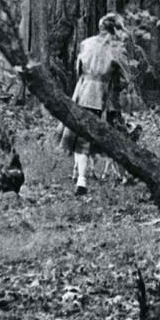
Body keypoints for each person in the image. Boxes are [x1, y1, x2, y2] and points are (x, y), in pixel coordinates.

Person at [61, 12, 128, 195]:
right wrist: (117, 85)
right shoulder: (117, 48)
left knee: (81, 137)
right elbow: (125, 79)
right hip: (105, 98)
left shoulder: (85, 43)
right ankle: (125, 175)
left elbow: (78, 70)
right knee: (114, 136)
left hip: (83, 93)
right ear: (115, 29)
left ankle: (81, 179)